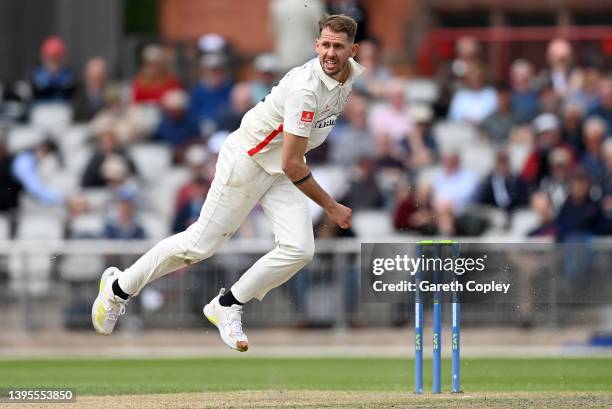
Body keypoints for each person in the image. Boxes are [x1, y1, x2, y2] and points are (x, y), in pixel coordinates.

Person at [92, 15, 363, 352]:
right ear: (315, 45)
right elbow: (292, 164)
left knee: (300, 249)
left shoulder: (349, 76)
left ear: (353, 50)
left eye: (338, 46)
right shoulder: (306, 89)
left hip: (279, 164)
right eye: (325, 44)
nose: (330, 53)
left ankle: (227, 305)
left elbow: (291, 160)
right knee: (199, 245)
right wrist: (330, 206)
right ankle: (118, 288)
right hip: (249, 160)